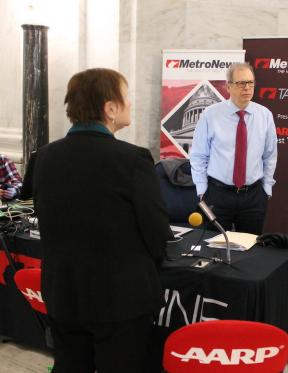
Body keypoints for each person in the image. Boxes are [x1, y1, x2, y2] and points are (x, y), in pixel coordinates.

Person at [33, 68, 171, 373]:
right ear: (110, 108)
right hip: (120, 300)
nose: (131, 104)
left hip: (63, 295)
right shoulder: (133, 159)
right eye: (127, 96)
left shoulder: (43, 156)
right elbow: (157, 232)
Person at [190, 62, 277, 235]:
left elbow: (270, 155)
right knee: (213, 248)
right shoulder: (210, 114)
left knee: (250, 252)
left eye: (251, 82)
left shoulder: (264, 115)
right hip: (217, 194)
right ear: (228, 86)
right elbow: (199, 155)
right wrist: (202, 190)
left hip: (253, 196)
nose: (247, 87)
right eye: (241, 83)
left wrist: (266, 188)